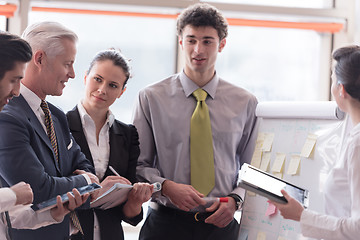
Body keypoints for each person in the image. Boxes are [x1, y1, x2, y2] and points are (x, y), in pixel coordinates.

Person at [133, 3, 258, 239]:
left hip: (222, 226)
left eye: (207, 41)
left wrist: (235, 199)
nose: (198, 50)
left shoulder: (246, 102)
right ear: (181, 41)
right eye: (191, 40)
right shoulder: (150, 97)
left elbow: (253, 170)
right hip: (165, 225)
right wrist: (166, 186)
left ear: (221, 44)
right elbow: (138, 165)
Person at [0, 22, 99, 240]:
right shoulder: (7, 115)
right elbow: (38, 189)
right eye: (68, 64)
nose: (72, 74)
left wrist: (81, 183)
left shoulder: (56, 115)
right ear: (40, 59)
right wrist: (82, 182)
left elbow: (83, 165)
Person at [270, 45, 360, 240]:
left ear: (341, 89)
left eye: (332, 80)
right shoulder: (352, 134)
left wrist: (302, 216)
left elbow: (358, 228)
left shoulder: (357, 144)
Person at [66, 49, 153, 239]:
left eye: (113, 85)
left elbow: (130, 215)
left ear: (122, 92)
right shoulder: (60, 126)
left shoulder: (128, 134)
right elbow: (53, 190)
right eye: (97, 79)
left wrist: (135, 200)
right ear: (85, 78)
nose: (102, 89)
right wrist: (96, 191)